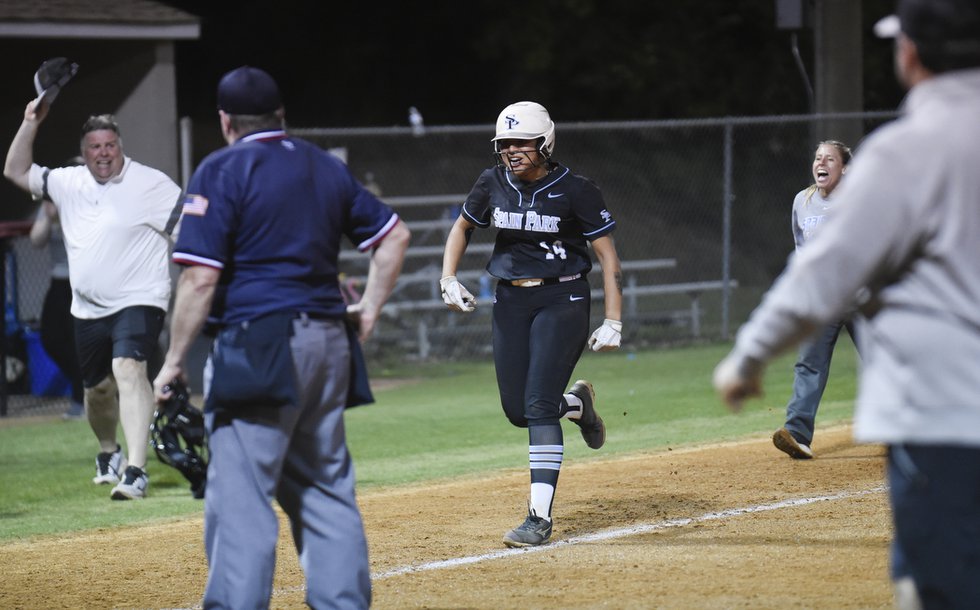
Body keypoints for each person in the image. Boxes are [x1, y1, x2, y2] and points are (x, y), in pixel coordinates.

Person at [713, 0, 980, 606]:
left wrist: (749, 356)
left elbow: (822, 274)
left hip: (941, 409)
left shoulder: (904, 152)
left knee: (940, 584)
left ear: (910, 53)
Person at [152, 66, 410, 609]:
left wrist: (173, 360)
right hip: (328, 343)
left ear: (225, 122)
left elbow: (200, 279)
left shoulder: (221, 168)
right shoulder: (321, 164)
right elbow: (394, 237)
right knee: (325, 488)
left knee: (242, 500)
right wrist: (367, 311)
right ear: (281, 116)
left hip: (260, 346)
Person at [440, 101, 623, 548]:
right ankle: (578, 405)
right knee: (518, 411)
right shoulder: (492, 181)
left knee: (538, 405)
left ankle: (538, 518)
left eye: (521, 142)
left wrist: (614, 318)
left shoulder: (576, 189)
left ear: (545, 143)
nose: (511, 151)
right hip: (510, 298)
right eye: (504, 143)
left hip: (563, 297)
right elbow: (463, 227)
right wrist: (448, 276)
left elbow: (607, 255)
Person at [4, 101, 182, 501]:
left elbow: (187, 232)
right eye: (95, 146)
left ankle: (136, 470)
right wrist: (31, 120)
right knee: (97, 390)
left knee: (129, 368)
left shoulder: (151, 183)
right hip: (87, 307)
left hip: (141, 297)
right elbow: (15, 170)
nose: (103, 152)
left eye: (110, 145)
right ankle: (109, 452)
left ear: (120, 146)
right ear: (84, 153)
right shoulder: (68, 182)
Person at [772, 140, 859, 460]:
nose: (821, 162)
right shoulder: (803, 201)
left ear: (845, 168)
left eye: (830, 158)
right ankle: (797, 433)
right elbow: (801, 249)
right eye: (817, 157)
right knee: (808, 363)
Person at [29, 193, 85, 420]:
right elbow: (36, 240)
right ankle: (86, 387)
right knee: (51, 339)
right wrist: (49, 217)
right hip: (58, 282)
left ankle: (81, 400)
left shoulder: (85, 203)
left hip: (82, 282)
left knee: (79, 342)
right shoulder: (51, 203)